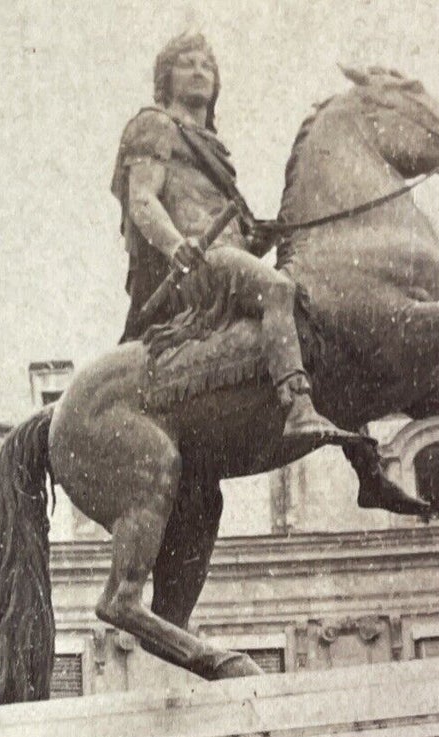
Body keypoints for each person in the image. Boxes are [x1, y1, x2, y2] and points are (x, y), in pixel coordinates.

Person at [112, 32, 354, 449]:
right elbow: (142, 199)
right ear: (165, 78)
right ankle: (297, 406)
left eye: (206, 65)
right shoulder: (153, 125)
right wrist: (175, 247)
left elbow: (229, 231)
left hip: (225, 257)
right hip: (195, 266)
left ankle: (364, 460)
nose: (199, 71)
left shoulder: (213, 148)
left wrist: (257, 238)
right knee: (278, 289)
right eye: (186, 63)